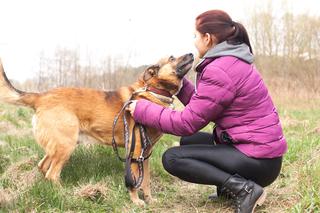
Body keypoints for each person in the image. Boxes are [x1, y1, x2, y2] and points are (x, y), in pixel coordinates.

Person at [127, 9, 287, 213]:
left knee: (173, 158)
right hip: (260, 152)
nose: (194, 42)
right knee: (189, 142)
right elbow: (205, 105)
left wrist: (143, 110)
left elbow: (186, 123)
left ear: (208, 38)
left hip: (258, 161)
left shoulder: (219, 70)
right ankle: (227, 188)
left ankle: (244, 189)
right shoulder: (231, 61)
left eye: (195, 36)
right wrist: (177, 85)